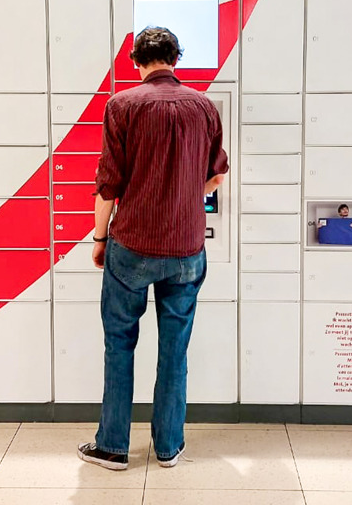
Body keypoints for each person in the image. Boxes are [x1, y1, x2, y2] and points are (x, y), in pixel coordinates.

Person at [77, 27, 229, 472]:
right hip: (186, 247)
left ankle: (113, 447)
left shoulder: (121, 106)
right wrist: (183, 195)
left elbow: (108, 184)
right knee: (174, 348)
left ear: (135, 60)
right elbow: (217, 176)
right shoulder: (203, 107)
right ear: (176, 59)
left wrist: (100, 238)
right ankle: (168, 447)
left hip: (132, 245)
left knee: (119, 345)